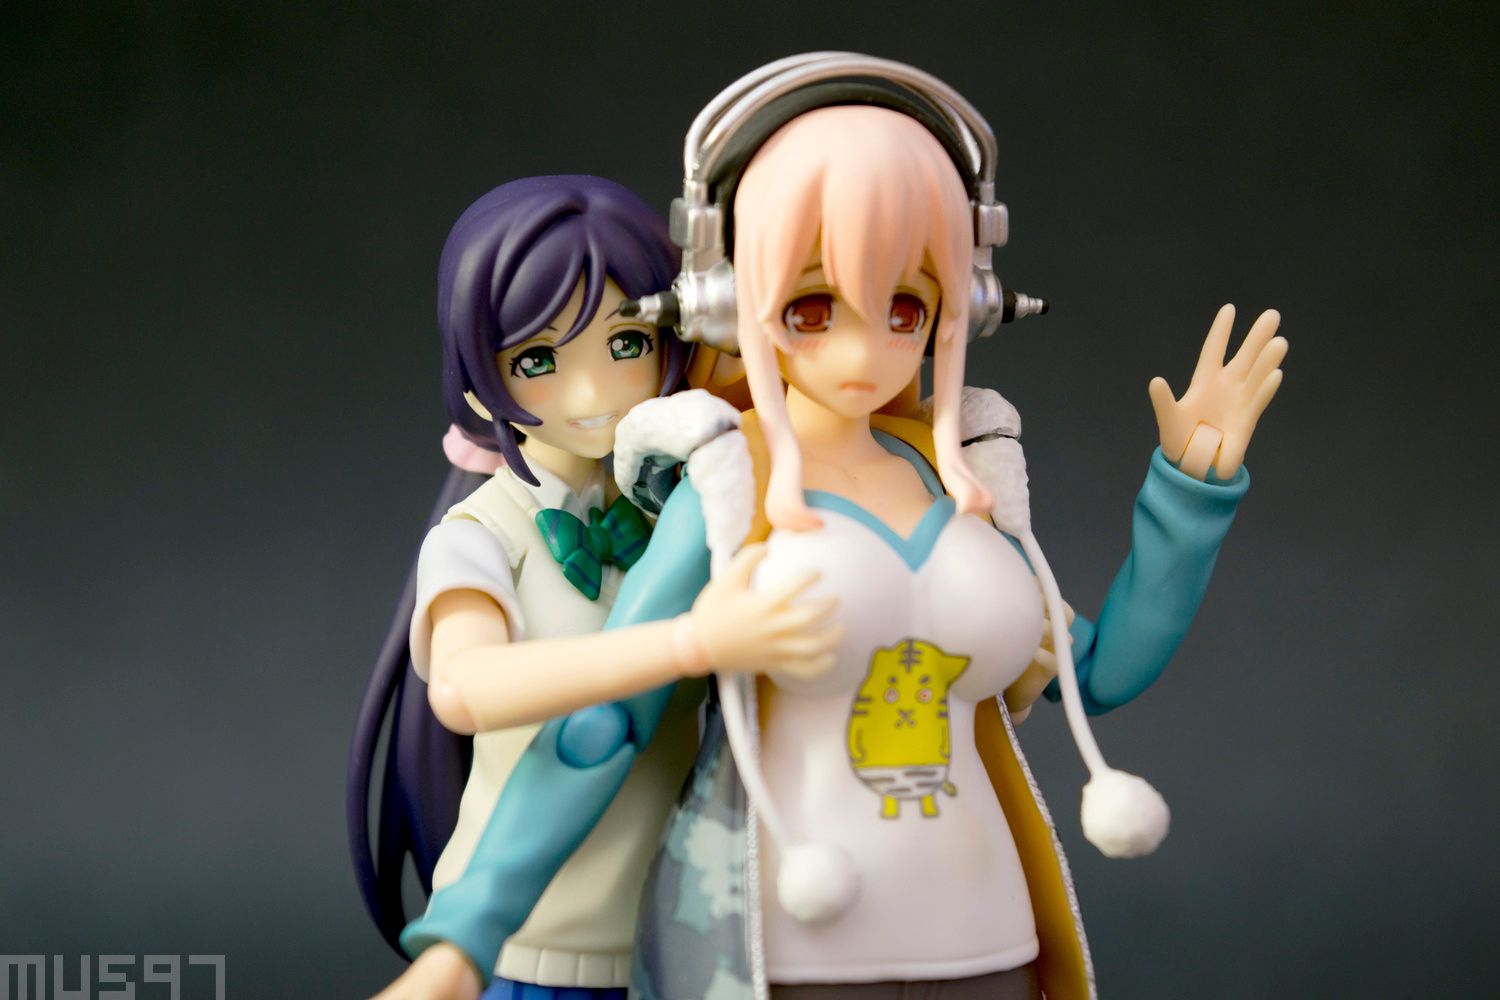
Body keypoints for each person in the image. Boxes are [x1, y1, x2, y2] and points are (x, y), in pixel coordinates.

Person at [401, 97, 1285, 1000]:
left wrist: (1188, 491)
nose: (865, 350)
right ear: (730, 299)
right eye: (816, 305)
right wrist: (466, 937)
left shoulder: (960, 478)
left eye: (904, 305)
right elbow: (605, 726)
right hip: (798, 941)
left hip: (990, 935)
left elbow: (1095, 671)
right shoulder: (726, 480)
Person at [350, 175, 843, 1000]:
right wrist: (685, 643)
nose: (592, 394)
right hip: (530, 946)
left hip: (685, 941)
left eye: (627, 344)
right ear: (476, 380)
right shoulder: (481, 537)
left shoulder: (689, 506)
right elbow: (465, 688)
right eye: (538, 361)